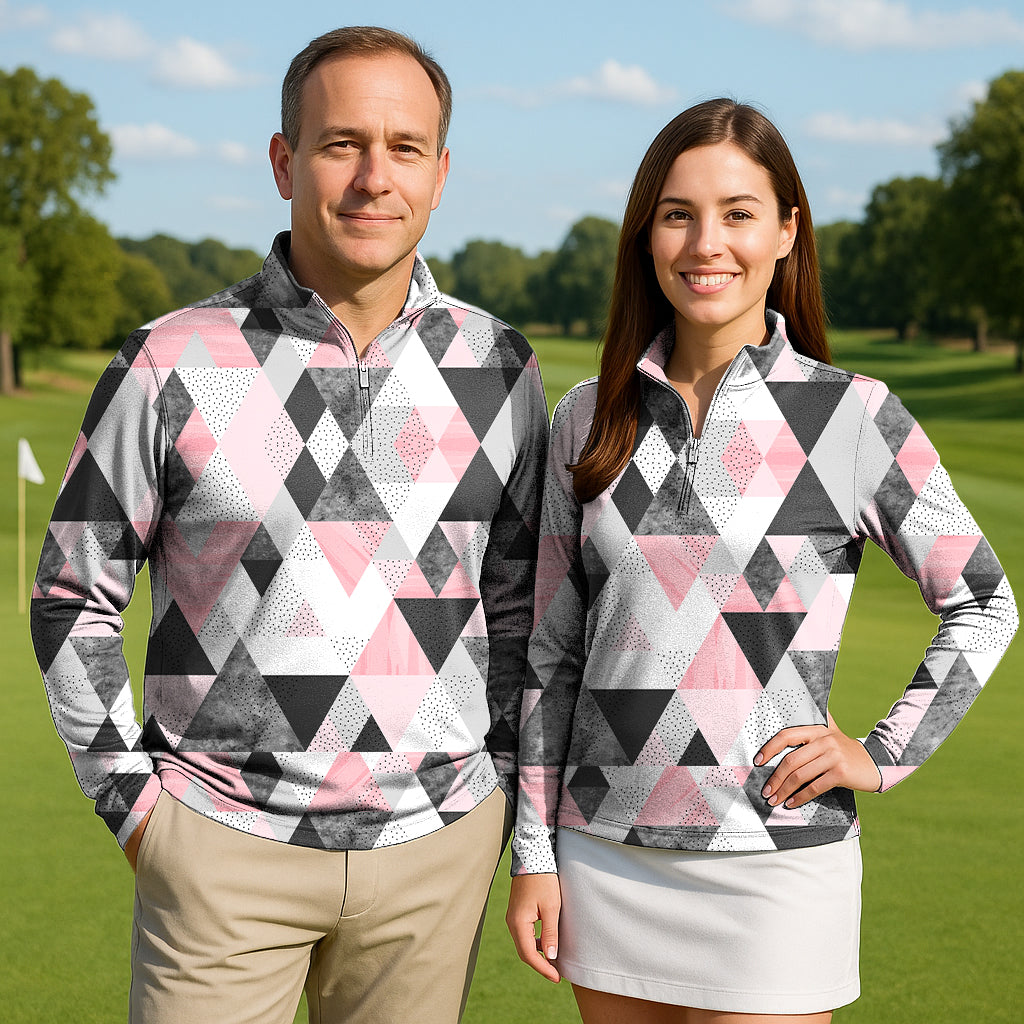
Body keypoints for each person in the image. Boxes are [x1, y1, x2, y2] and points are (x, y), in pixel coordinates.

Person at [31, 25, 548, 1024]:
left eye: (403, 149)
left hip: (432, 856)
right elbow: (70, 594)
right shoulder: (170, 360)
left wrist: (496, 803)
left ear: (440, 175)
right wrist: (138, 812)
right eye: (339, 143)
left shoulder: (502, 366)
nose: (371, 178)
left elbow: (522, 612)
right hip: (217, 849)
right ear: (284, 161)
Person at [506, 98, 1017, 1023]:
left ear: (787, 231)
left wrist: (883, 751)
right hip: (605, 855)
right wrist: (536, 854)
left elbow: (983, 599)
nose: (708, 243)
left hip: (775, 862)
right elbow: (550, 656)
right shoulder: (585, 416)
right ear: (646, 235)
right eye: (678, 213)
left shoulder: (851, 415)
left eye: (740, 213)